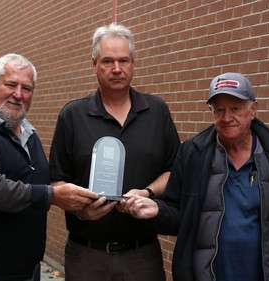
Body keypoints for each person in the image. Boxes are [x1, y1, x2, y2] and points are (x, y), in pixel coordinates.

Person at [123, 72, 269, 281]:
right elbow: (179, 216)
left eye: (235, 109)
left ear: (253, 110)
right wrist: (158, 211)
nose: (227, 117)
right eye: (219, 110)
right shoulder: (192, 155)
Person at [0, 53, 97, 281]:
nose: (18, 94)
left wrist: (78, 205)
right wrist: (54, 195)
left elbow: (39, 187)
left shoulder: (29, 135)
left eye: (27, 88)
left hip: (23, 270)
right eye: (11, 84)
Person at [49, 23, 180, 280]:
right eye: (108, 61)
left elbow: (174, 169)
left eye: (124, 60)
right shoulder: (73, 115)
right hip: (86, 256)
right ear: (94, 64)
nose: (117, 69)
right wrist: (80, 210)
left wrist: (148, 192)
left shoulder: (157, 112)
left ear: (133, 64)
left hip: (142, 255)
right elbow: (55, 181)